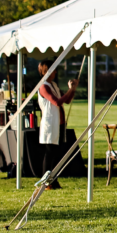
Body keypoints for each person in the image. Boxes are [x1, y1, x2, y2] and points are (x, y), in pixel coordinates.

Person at [36, 59, 77, 190]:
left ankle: (53, 180)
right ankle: (46, 181)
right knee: (50, 154)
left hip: (58, 124)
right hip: (50, 123)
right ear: (45, 71)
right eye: (52, 69)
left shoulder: (53, 84)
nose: (54, 72)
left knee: (57, 154)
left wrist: (72, 90)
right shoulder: (44, 86)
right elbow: (57, 102)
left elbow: (67, 100)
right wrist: (70, 90)